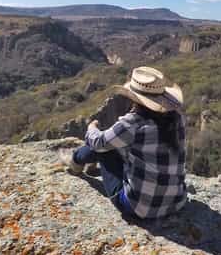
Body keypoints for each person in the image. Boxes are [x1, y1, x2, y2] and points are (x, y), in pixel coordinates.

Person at [59, 66, 187, 219]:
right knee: (114, 144)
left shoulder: (132, 123)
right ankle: (83, 163)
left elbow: (98, 143)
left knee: (104, 148)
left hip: (138, 208)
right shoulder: (177, 119)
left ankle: (75, 162)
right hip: (177, 201)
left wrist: (91, 128)